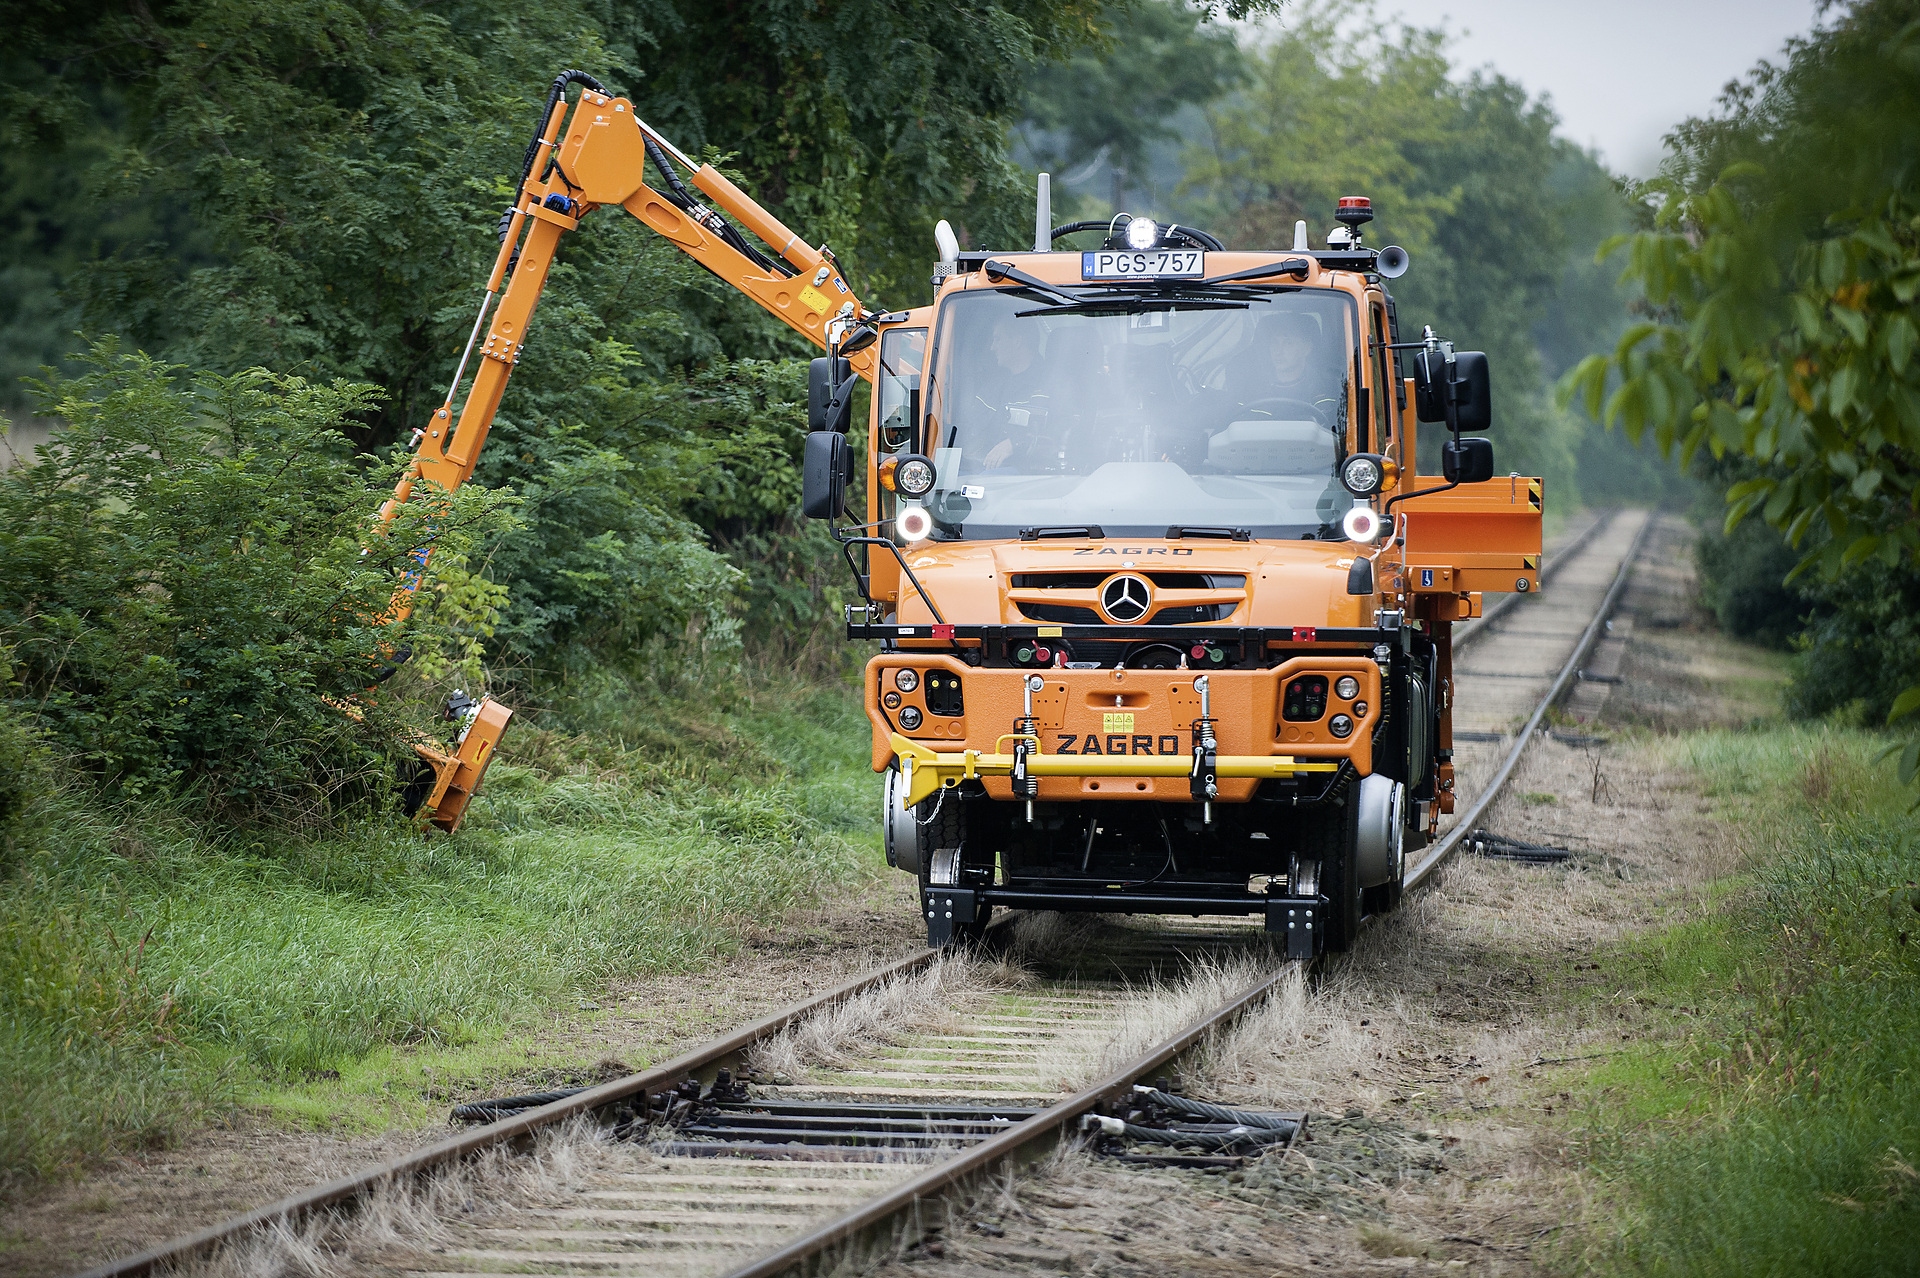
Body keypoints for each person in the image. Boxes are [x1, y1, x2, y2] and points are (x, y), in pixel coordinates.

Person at [1239, 311, 1342, 423]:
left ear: (1307, 348)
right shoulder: (1252, 390)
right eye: (1274, 342)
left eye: (1288, 343)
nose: (1278, 351)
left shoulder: (1326, 391)